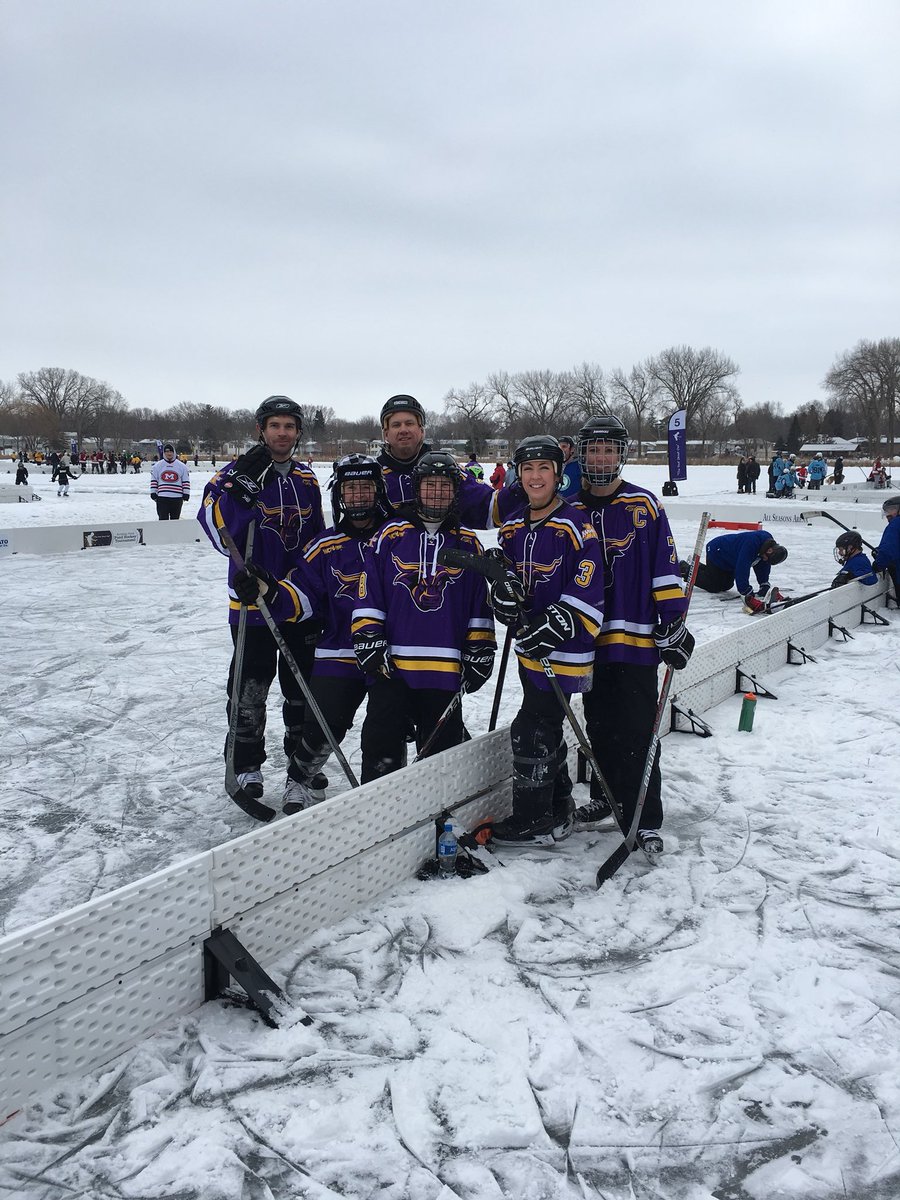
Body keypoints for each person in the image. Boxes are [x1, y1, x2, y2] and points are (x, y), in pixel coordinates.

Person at [233, 454, 394, 812]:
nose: (358, 496)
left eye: (366, 488)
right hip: (340, 652)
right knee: (323, 723)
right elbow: (302, 595)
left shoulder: (397, 537)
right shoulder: (325, 545)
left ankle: (386, 793)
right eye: (351, 489)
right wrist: (269, 591)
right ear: (339, 495)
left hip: (389, 655)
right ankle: (301, 778)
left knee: (387, 729)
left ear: (379, 491)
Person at [573, 415, 693, 856]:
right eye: (593, 449)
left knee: (638, 730)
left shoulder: (645, 506)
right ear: (582, 454)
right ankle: (606, 796)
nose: (601, 457)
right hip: (586, 642)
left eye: (608, 449)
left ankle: (644, 815)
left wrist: (673, 619)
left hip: (636, 639)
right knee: (599, 725)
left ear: (621, 454)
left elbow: (664, 567)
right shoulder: (570, 509)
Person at [198, 396, 324, 805]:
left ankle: (298, 766)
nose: (282, 433)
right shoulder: (233, 475)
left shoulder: (307, 480)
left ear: (298, 433)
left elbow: (317, 541)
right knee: (249, 689)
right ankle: (245, 765)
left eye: (289, 426)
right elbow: (215, 527)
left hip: (298, 602)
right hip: (252, 606)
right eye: (275, 426)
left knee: (300, 689)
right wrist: (238, 498)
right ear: (261, 430)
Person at [487, 435, 605, 847]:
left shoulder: (575, 524)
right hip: (529, 649)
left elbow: (590, 582)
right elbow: (506, 581)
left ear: (559, 475)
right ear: (518, 475)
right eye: (528, 469)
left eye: (544, 469)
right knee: (547, 723)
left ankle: (533, 819)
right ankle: (558, 805)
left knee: (532, 726)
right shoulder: (514, 526)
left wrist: (561, 620)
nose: (536, 477)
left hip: (565, 650)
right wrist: (501, 595)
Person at [352, 450, 496, 781]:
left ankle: (441, 817)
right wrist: (368, 636)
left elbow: (478, 604)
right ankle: (379, 815)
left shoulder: (468, 544)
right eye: (430, 485)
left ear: (456, 492)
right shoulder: (391, 535)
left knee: (442, 754)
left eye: (445, 486)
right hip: (393, 666)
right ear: (417, 489)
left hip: (445, 666)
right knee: (380, 742)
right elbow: (369, 590)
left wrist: (481, 647)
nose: (437, 493)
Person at [689, 530, 788, 612]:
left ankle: (697, 566)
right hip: (717, 552)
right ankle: (685, 569)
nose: (765, 560)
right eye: (767, 558)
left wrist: (764, 583)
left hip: (730, 559)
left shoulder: (766, 546)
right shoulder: (752, 543)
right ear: (770, 550)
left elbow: (762, 564)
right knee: (714, 586)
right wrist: (746, 591)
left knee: (727, 585)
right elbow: (742, 567)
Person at [150, 444, 191, 519]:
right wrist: (153, 492)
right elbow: (154, 480)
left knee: (175, 521)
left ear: (174, 452)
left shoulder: (182, 466)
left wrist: (186, 493)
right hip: (162, 497)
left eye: (171, 451)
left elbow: (185, 481)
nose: (169, 453)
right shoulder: (157, 466)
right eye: (167, 451)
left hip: (177, 498)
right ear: (164, 453)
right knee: (163, 520)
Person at [872, 495, 900, 600]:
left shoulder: (895, 524)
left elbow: (888, 549)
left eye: (891, 510)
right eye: (886, 511)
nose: (888, 514)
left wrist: (878, 564)